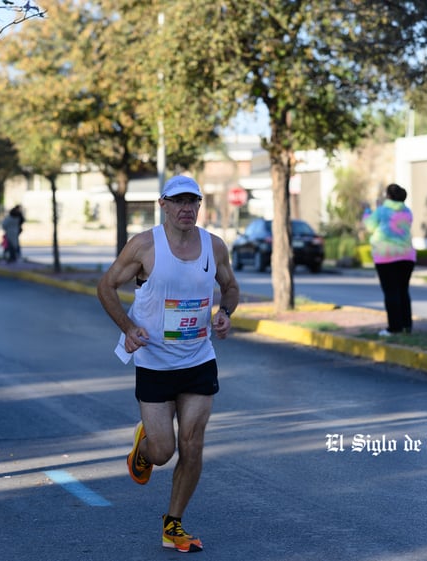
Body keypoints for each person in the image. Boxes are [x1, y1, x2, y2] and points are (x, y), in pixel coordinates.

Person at [97, 175, 240, 553]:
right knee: (163, 452)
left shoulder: (214, 246)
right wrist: (127, 327)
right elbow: (106, 285)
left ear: (199, 205)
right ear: (162, 204)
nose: (186, 209)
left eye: (192, 201)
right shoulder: (145, 246)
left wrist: (224, 312)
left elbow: (231, 286)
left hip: (198, 359)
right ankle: (144, 446)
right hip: (154, 361)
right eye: (178, 201)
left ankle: (173, 524)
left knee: (192, 445)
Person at [362, 183, 417, 336]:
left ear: (388, 196)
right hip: (407, 256)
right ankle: (407, 326)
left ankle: (394, 328)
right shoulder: (407, 212)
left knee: (391, 292)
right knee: (403, 292)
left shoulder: (381, 211)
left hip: (386, 256)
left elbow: (369, 226)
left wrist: (367, 211)